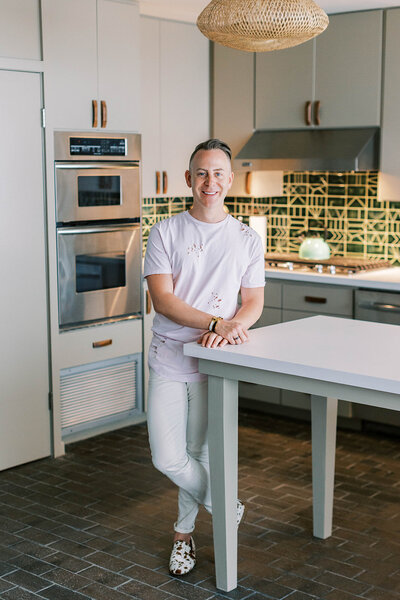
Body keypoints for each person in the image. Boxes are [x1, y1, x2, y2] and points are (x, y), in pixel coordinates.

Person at [144, 138, 265, 576]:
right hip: (170, 358)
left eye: (217, 173)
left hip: (216, 363)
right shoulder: (165, 232)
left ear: (230, 180)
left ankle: (182, 536)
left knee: (201, 453)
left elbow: (252, 301)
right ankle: (225, 503)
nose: (209, 181)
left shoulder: (247, 239)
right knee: (168, 456)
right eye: (201, 173)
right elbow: (164, 300)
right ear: (188, 179)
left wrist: (235, 326)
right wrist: (217, 323)